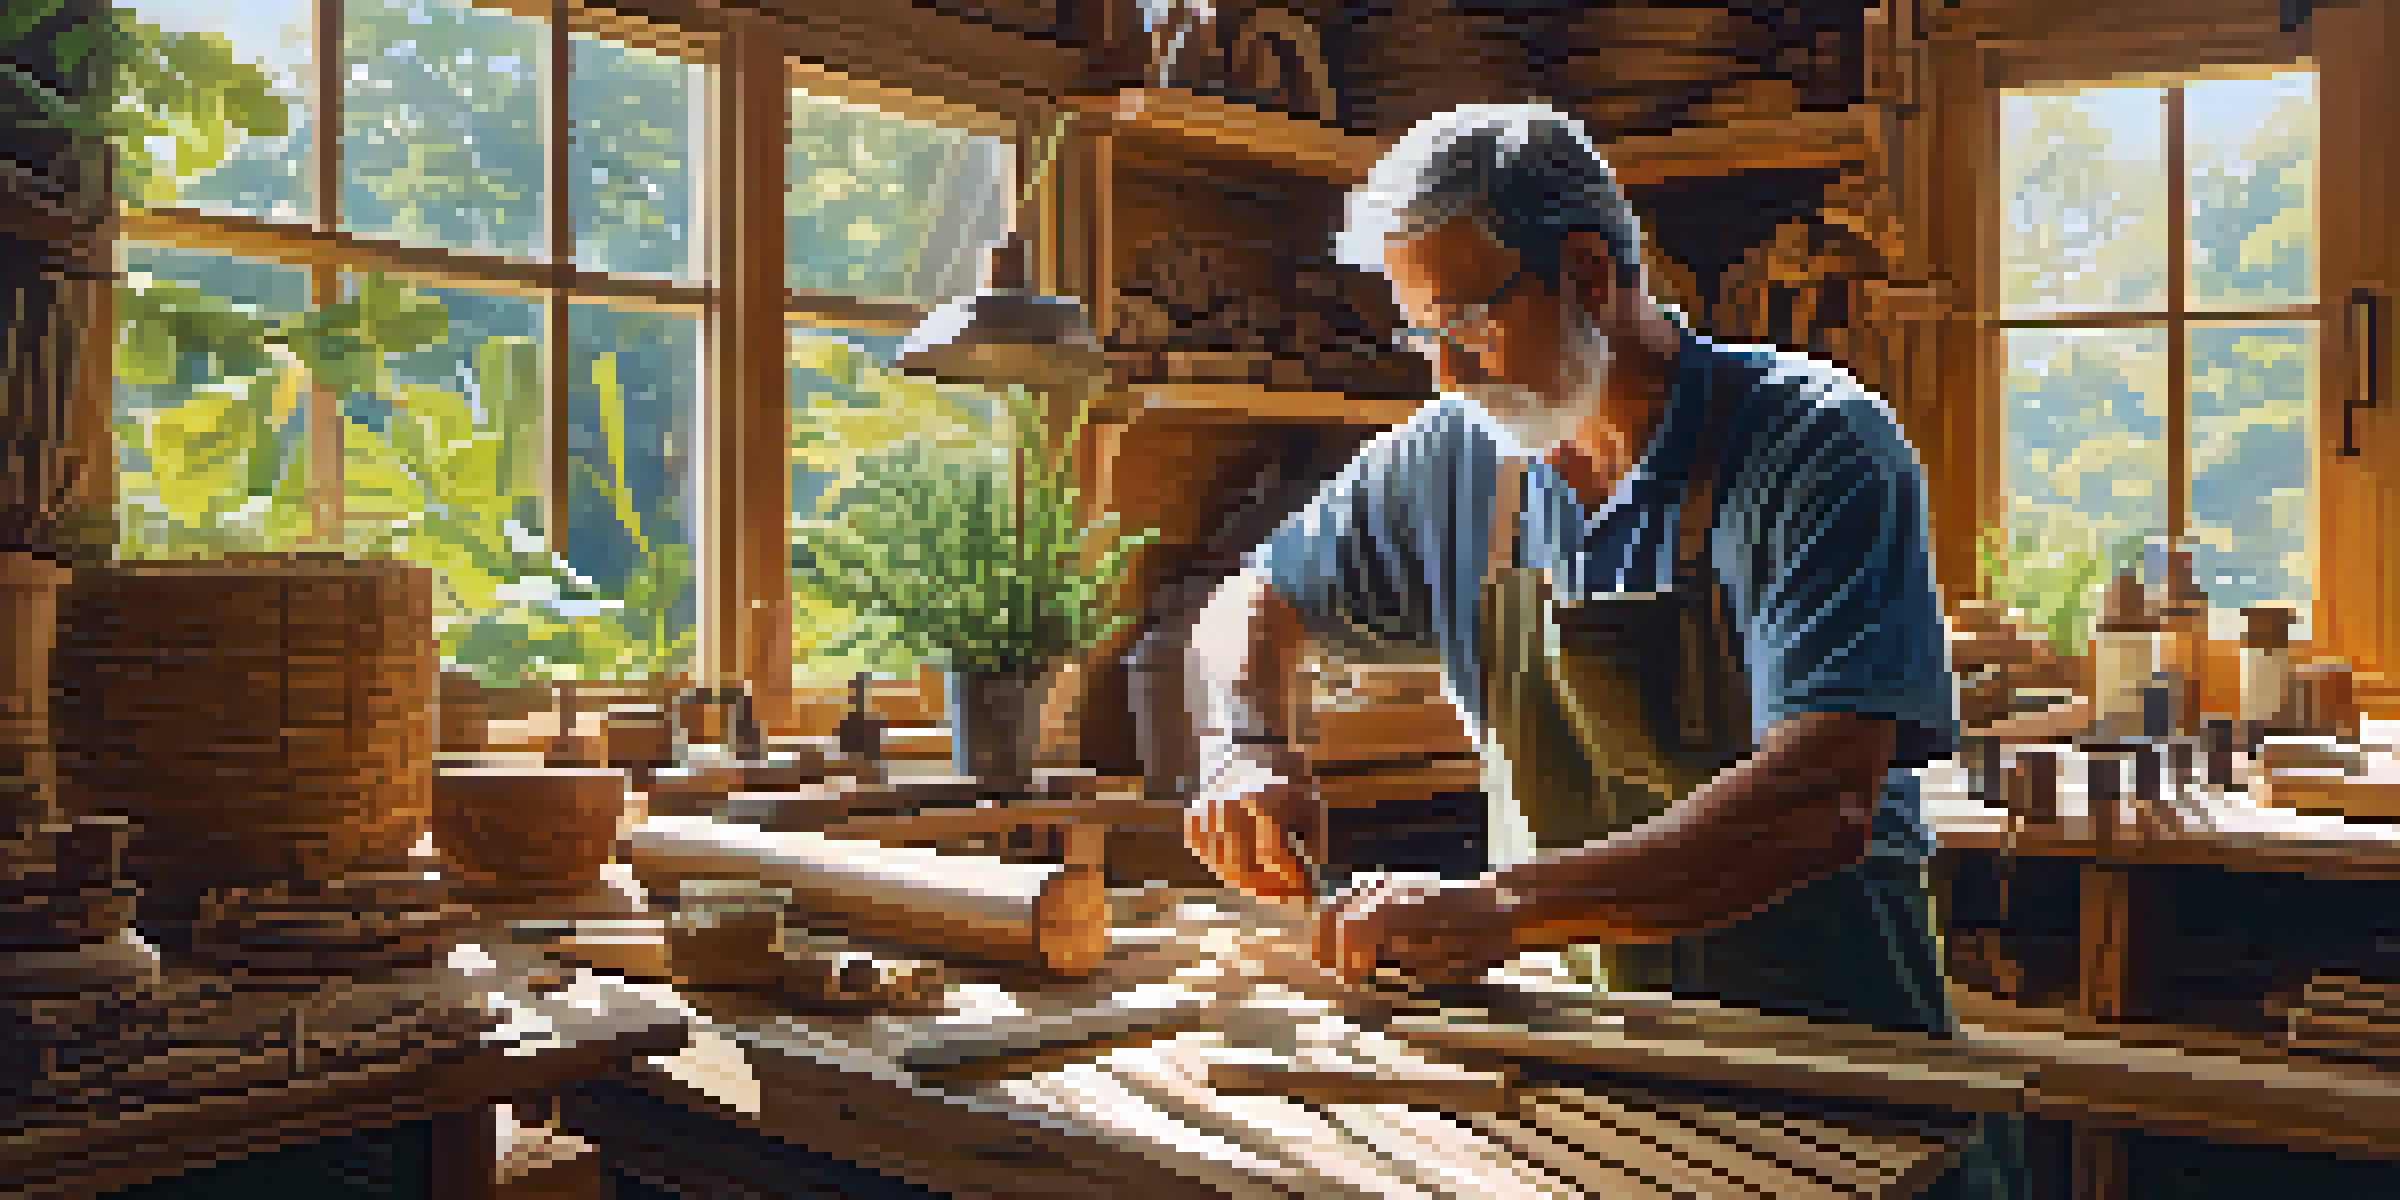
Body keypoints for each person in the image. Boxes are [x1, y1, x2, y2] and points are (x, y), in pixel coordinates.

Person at [1181, 105, 2027, 1200]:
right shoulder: (1458, 457)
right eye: (1419, 335)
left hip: (1827, 1082)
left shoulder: (1814, 446)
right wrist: (1244, 744)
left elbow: (1818, 802)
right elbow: (1248, 600)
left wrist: (1501, 908)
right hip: (1579, 1072)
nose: (1442, 374)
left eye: (1468, 326)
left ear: (1587, 273)